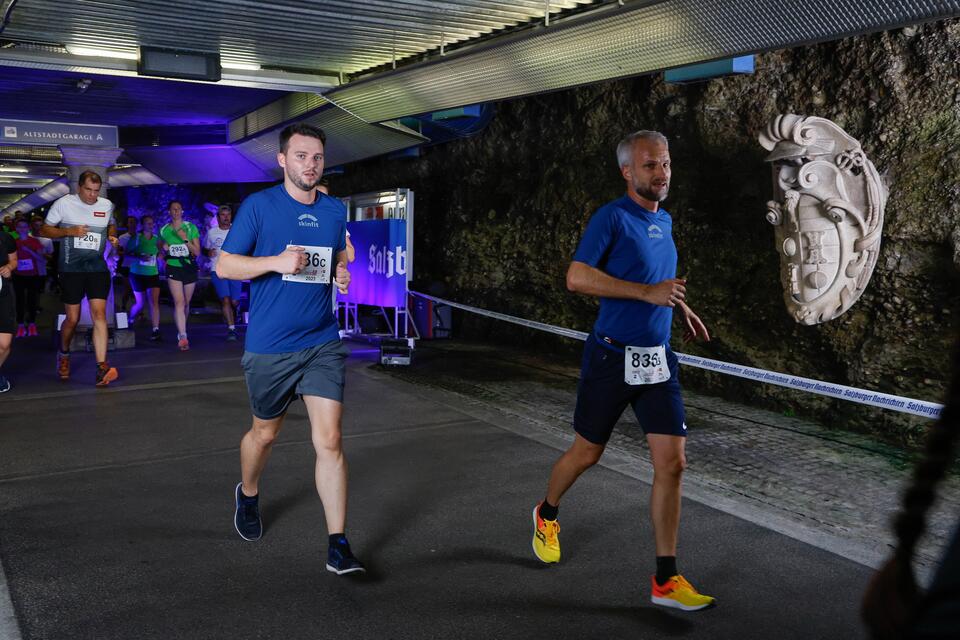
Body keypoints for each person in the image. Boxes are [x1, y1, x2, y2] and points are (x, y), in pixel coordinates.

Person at [530, 131, 714, 611]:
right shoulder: (611, 217)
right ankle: (547, 513)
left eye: (667, 163)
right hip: (612, 358)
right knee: (587, 453)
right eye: (651, 165)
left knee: (672, 464)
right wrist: (645, 293)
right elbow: (577, 277)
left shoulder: (665, 220)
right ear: (628, 172)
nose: (662, 173)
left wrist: (678, 306)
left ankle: (666, 579)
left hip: (657, 360)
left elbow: (657, 281)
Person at [216, 123, 359, 574]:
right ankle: (250, 492)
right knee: (265, 434)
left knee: (330, 440)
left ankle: (338, 544)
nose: (309, 165)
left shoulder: (334, 210)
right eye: (300, 156)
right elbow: (224, 265)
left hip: (320, 341)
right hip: (270, 347)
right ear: (282, 160)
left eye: (316, 157)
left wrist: (341, 272)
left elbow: (340, 254)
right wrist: (275, 262)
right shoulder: (259, 207)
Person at [40, 170, 120, 387]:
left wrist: (112, 234)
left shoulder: (105, 205)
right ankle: (64, 353)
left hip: (96, 268)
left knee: (99, 315)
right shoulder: (64, 204)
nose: (92, 196)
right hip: (71, 269)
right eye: (88, 190)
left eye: (96, 191)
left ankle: (101, 367)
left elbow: (111, 223)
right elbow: (44, 229)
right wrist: (68, 232)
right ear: (79, 187)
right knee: (73, 319)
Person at [159, 200, 200, 351]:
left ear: (182, 211)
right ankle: (183, 336)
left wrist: (184, 239)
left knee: (186, 303)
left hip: (188, 267)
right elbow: (160, 249)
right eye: (173, 209)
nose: (176, 211)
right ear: (169, 212)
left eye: (178, 209)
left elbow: (197, 252)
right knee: (179, 302)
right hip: (173, 267)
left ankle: (182, 327)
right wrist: (163, 250)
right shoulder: (164, 230)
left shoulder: (190, 227)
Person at [204, 204, 241, 341]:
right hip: (217, 269)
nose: (226, 217)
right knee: (225, 299)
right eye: (223, 215)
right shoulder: (211, 232)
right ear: (218, 217)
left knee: (235, 301)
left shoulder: (238, 230)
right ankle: (231, 329)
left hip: (235, 270)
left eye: (228, 215)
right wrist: (208, 252)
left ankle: (233, 312)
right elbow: (205, 249)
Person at [127, 214, 162, 341]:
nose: (151, 225)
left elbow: (159, 254)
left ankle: (155, 330)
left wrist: (161, 258)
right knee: (140, 303)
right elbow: (126, 255)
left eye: (152, 223)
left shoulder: (157, 239)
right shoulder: (136, 238)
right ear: (142, 225)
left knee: (154, 302)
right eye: (148, 223)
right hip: (137, 274)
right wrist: (139, 257)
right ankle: (130, 319)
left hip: (152, 274)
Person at [12, 219, 46, 337]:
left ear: (28, 228)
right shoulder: (13, 242)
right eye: (20, 226)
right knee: (19, 301)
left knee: (32, 301)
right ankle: (20, 325)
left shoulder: (34, 241)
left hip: (32, 276)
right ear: (16, 229)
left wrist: (29, 251)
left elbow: (42, 259)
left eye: (25, 226)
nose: (22, 228)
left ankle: (32, 324)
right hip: (18, 275)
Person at [0, 229, 16, 392]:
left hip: (2, 294)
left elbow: (14, 260)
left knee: (4, 345)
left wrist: (8, 267)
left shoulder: (5, 238)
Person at [116, 215, 138, 314]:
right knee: (128, 288)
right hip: (126, 266)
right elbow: (118, 252)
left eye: (134, 222)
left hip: (138, 266)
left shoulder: (140, 237)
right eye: (130, 222)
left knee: (137, 289)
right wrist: (126, 253)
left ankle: (137, 310)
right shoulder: (122, 237)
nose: (132, 224)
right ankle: (124, 307)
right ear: (127, 224)